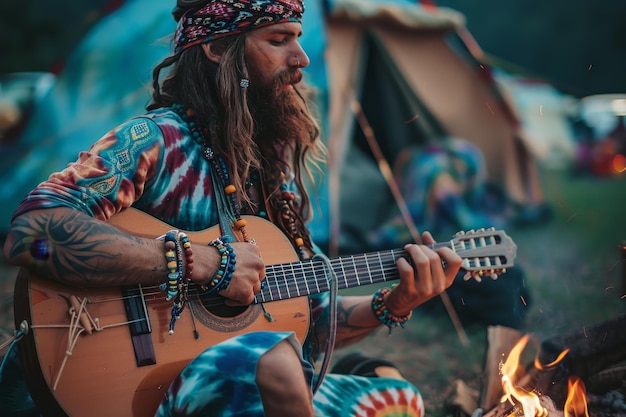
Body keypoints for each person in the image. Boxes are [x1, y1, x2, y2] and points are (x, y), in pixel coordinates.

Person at [0, 0, 463, 415]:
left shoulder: (269, 172)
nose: (301, 59)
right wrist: (200, 261)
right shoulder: (156, 141)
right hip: (114, 391)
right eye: (279, 40)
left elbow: (309, 319)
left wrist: (395, 302)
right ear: (218, 49)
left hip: (220, 380)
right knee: (273, 364)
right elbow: (33, 235)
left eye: (298, 40)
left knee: (396, 403)